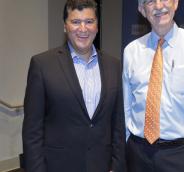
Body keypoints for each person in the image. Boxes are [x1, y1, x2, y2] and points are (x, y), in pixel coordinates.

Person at [22, 0, 126, 172]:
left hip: (102, 165)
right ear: (65, 26)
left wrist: (116, 166)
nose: (83, 29)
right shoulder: (42, 65)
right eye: (76, 22)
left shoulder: (114, 65)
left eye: (89, 21)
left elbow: (118, 125)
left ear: (97, 26)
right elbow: (32, 131)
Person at [122, 0, 184, 172]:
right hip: (137, 154)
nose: (158, 5)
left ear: (175, 3)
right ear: (141, 9)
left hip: (182, 156)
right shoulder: (131, 51)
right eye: (150, 1)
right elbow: (126, 108)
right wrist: (123, 152)